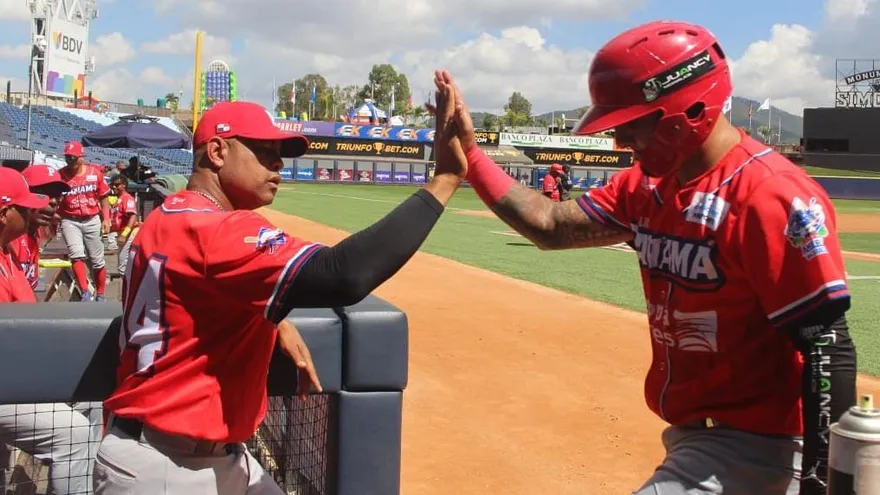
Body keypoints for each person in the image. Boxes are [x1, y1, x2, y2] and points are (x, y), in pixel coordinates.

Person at [432, 19, 856, 495]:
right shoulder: (647, 186)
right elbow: (550, 225)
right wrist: (469, 152)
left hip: (767, 448)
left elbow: (826, 344)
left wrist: (824, 478)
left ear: (685, 110)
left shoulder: (769, 194)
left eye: (631, 123)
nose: (620, 141)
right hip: (699, 440)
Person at [94, 94, 466, 494]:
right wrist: (444, 180)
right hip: (170, 469)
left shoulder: (168, 215)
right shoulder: (218, 232)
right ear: (218, 151)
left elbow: (193, 293)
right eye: (264, 152)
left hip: (192, 453)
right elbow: (343, 275)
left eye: (280, 154)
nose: (279, 165)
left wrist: (270, 315)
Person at [0, 167, 95, 495]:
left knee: (94, 396)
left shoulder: (9, 249)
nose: (36, 208)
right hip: (9, 380)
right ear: (3, 213)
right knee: (75, 433)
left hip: (18, 373)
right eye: (25, 206)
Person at [58, 140, 112, 302]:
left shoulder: (94, 173)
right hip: (70, 219)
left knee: (97, 260)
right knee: (76, 255)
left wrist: (107, 218)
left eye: (73, 158)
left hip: (91, 218)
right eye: (68, 158)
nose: (70, 161)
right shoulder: (60, 175)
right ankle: (85, 292)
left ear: (82, 157)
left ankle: (101, 294)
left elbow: (104, 197)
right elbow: (54, 197)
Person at [8, 164, 70, 291]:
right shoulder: (9, 238)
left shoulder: (35, 232)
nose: (53, 201)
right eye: (43, 193)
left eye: (57, 195)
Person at [108, 175, 139, 276]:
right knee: (125, 264)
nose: (114, 187)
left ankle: (127, 289)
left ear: (124, 185)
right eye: (112, 185)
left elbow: (133, 216)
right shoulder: (118, 199)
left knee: (123, 266)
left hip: (130, 233)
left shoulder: (127, 198)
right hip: (122, 232)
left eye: (117, 185)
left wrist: (124, 235)